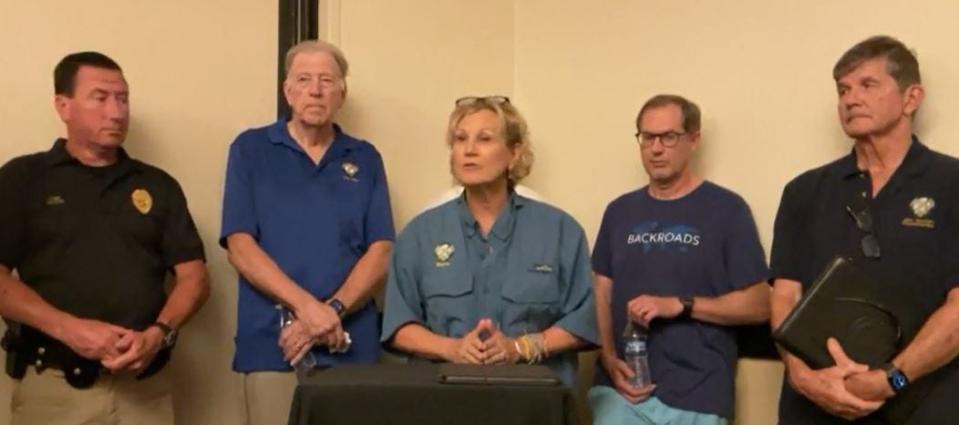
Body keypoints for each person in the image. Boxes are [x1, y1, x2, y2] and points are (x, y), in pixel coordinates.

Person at [0, 51, 209, 425]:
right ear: (63, 105)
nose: (117, 112)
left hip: (146, 390)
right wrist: (72, 331)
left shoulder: (157, 185)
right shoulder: (22, 179)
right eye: (101, 98)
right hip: (55, 389)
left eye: (123, 99)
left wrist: (159, 333)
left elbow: (194, 277)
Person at [770, 35, 959, 425]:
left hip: (924, 404)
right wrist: (802, 377)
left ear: (911, 98)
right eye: (843, 90)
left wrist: (892, 379)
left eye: (868, 85)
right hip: (812, 406)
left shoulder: (951, 183)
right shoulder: (804, 191)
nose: (850, 99)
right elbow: (784, 297)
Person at [220, 40, 394, 425]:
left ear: (342, 93)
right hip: (274, 346)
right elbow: (240, 246)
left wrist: (331, 312)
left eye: (327, 80)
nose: (315, 90)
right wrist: (308, 309)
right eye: (304, 79)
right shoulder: (250, 150)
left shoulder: (365, 158)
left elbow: (380, 251)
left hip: (351, 345)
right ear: (288, 90)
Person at [381, 96, 597, 386]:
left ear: (514, 153)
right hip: (444, 400)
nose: (469, 150)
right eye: (460, 139)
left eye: (484, 139)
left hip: (533, 400)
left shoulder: (561, 231)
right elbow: (399, 326)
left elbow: (581, 323)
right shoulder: (420, 234)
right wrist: (453, 349)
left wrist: (518, 348)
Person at [589, 94, 770, 425]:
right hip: (621, 391)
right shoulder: (619, 212)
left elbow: (760, 304)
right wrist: (608, 357)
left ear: (693, 139)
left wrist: (681, 305)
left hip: (698, 394)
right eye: (647, 137)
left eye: (668, 137)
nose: (656, 149)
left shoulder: (727, 210)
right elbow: (601, 291)